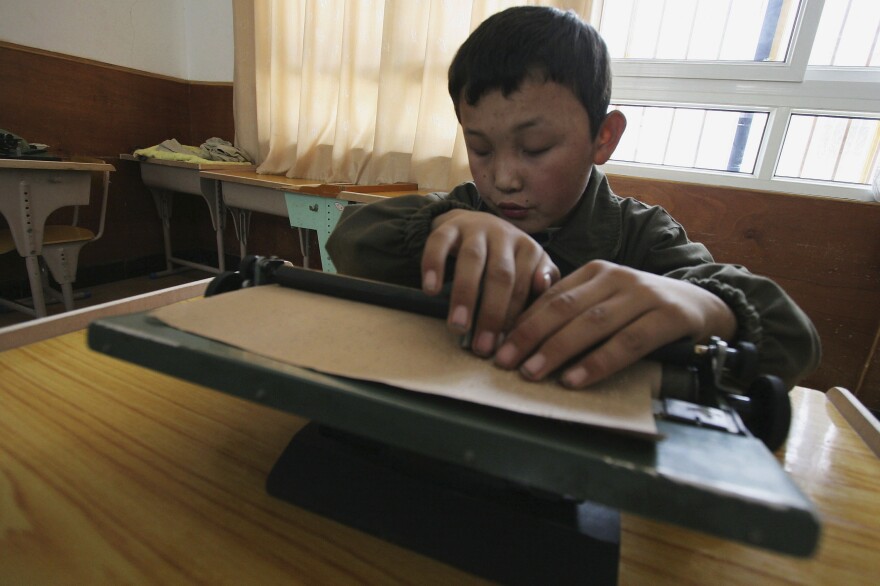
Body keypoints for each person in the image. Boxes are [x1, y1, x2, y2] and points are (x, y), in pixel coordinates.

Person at [326, 6, 820, 390]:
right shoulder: (464, 212)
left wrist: (713, 308)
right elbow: (349, 238)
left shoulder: (643, 236)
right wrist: (438, 226)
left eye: (535, 148)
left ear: (603, 138)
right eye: (479, 148)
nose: (503, 178)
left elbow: (794, 341)